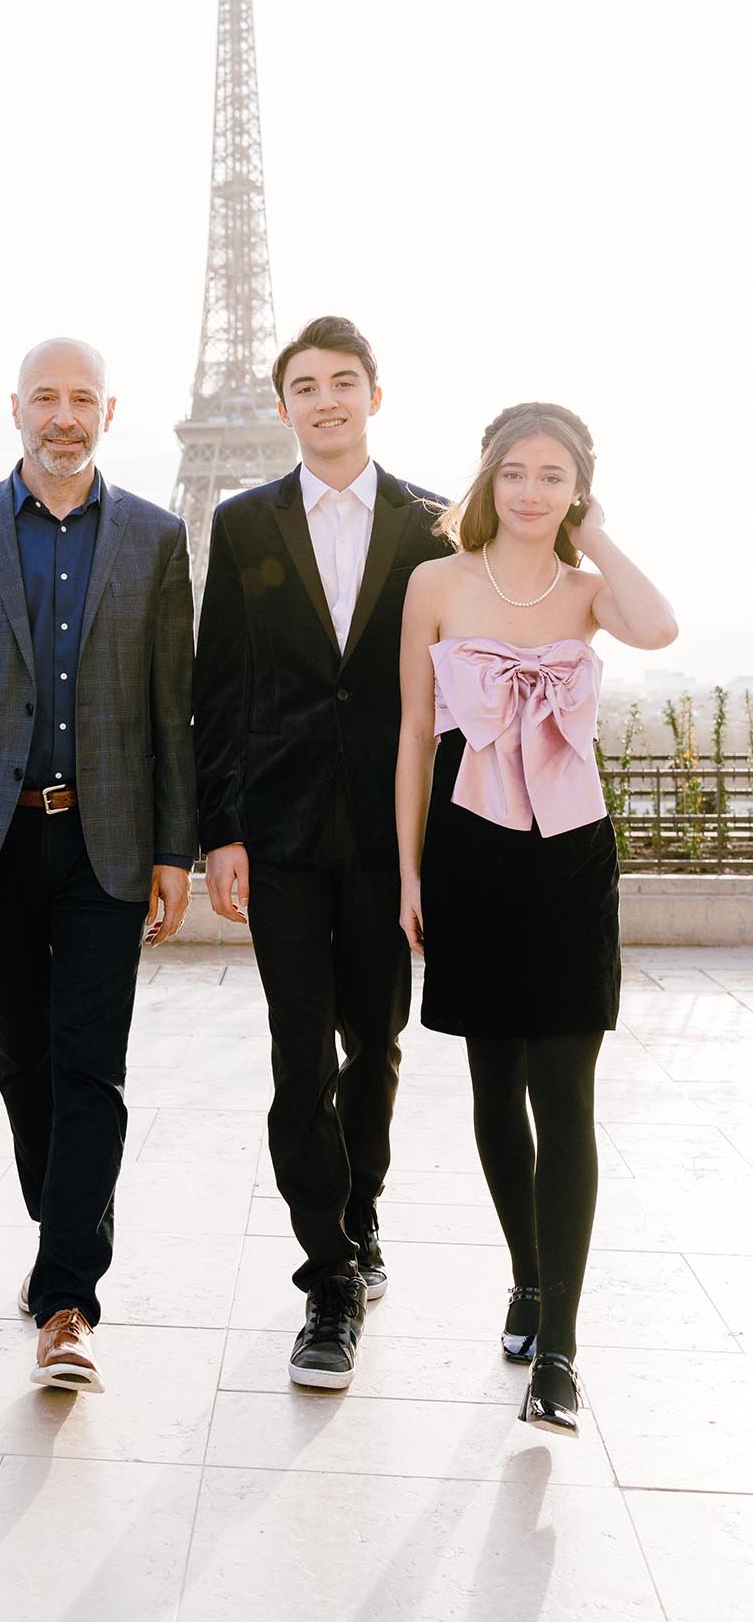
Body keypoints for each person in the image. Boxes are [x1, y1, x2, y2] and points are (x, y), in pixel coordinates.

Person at [0, 337, 195, 1394]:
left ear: (109, 411)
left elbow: (170, 710)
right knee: (24, 1062)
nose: (62, 416)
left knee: (90, 1067)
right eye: (44, 399)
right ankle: (65, 1215)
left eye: (82, 400)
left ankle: (67, 1297)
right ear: (14, 408)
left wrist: (173, 849)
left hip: (106, 838)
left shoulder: (156, 541)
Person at [396, 402, 677, 1435]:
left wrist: (591, 531)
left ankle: (557, 1346)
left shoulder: (587, 593)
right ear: (484, 475)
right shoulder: (435, 583)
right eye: (512, 471)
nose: (528, 491)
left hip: (569, 855)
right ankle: (524, 1275)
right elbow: (414, 736)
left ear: (575, 486)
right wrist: (406, 874)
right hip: (468, 853)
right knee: (491, 1079)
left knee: (565, 1090)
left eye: (551, 476)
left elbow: (658, 629)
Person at [194, 314, 447, 1390]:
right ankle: (326, 1278)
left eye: (343, 382)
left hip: (390, 834)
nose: (325, 400)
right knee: (298, 1053)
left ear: (372, 397)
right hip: (282, 829)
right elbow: (219, 685)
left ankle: (360, 1210)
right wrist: (219, 831)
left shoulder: (435, 522)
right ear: (283, 404)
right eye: (304, 385)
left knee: (374, 1048)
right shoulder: (242, 522)